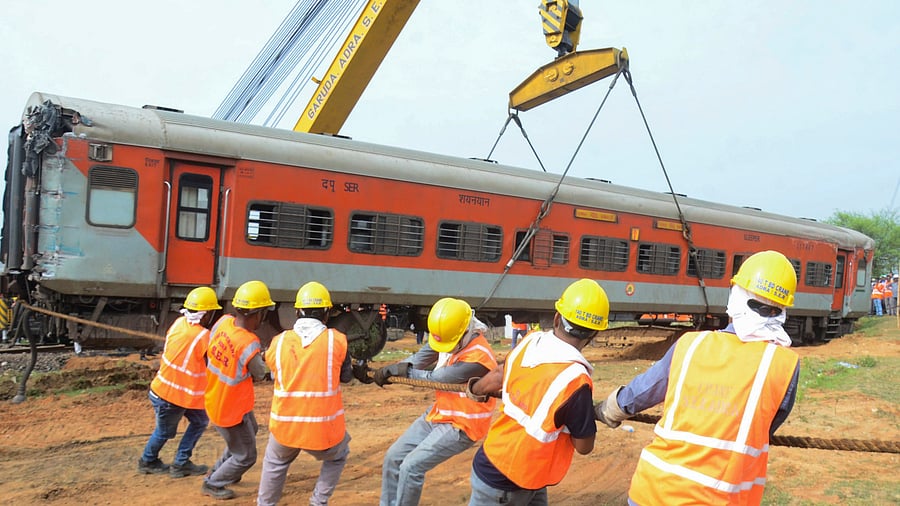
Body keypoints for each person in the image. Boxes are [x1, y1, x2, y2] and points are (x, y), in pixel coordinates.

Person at [594, 250, 801, 505]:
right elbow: (765, 427)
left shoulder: (691, 344)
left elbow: (641, 393)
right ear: (782, 308)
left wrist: (606, 410)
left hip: (653, 492)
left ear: (735, 293)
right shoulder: (783, 364)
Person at [466, 279, 609, 505]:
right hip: (508, 483)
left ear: (556, 318)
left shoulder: (530, 341)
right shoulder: (576, 381)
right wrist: (591, 414)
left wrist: (475, 389)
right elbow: (584, 446)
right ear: (593, 336)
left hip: (507, 467)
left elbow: (499, 375)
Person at [377, 297, 498, 506]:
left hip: (462, 425)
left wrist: (400, 370)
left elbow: (439, 378)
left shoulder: (479, 358)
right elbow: (420, 358)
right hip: (440, 413)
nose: (445, 348)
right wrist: (391, 370)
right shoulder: (451, 335)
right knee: (393, 458)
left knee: (411, 468)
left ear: (466, 331)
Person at [257, 281, 353, 506]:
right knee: (338, 455)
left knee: (275, 462)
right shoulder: (336, 340)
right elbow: (346, 377)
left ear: (297, 312)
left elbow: (273, 373)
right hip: (322, 430)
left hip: (285, 428)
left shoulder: (277, 343)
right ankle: (318, 502)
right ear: (327, 314)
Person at [202, 280, 275, 500]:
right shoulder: (249, 343)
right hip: (230, 409)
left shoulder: (223, 322)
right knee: (246, 456)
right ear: (258, 314)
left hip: (217, 398)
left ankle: (222, 471)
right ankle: (213, 482)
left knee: (250, 431)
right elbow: (261, 373)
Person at [138, 287, 221, 477]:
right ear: (206, 314)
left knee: (199, 421)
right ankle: (148, 461)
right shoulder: (203, 336)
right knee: (164, 432)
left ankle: (180, 462)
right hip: (172, 396)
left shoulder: (178, 323)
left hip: (168, 391)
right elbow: (213, 362)